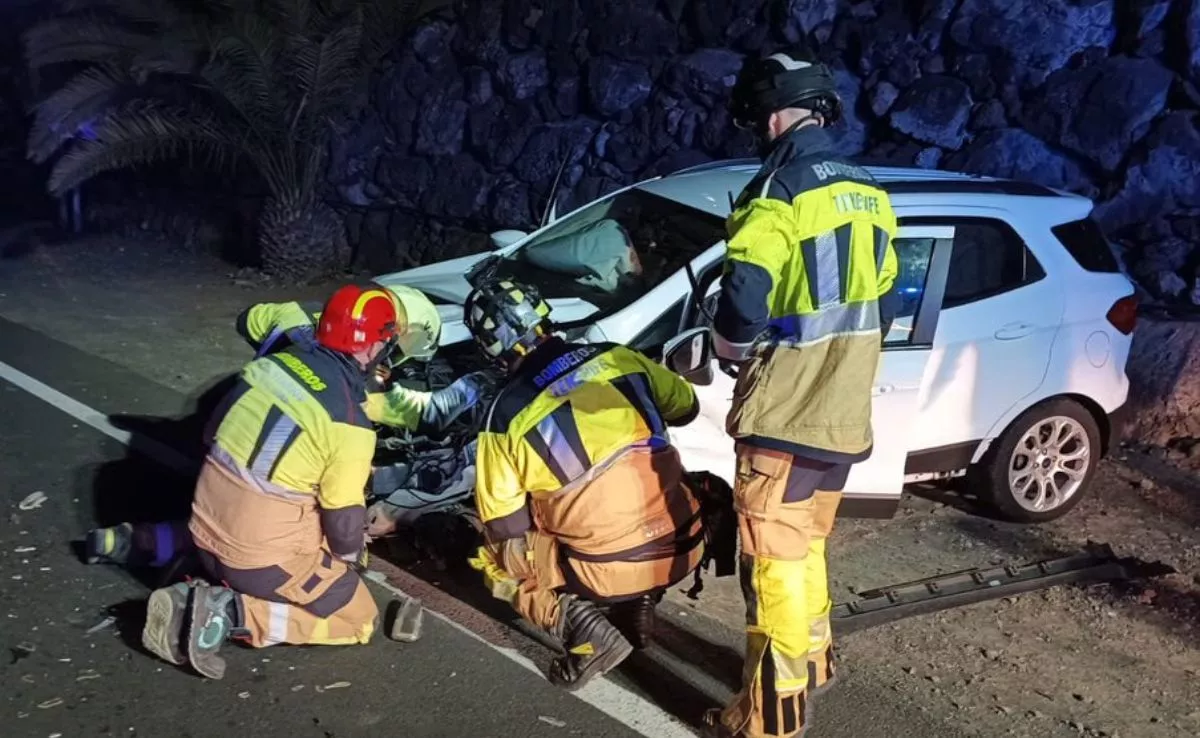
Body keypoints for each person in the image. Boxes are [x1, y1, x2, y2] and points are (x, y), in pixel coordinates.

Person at [707, 46, 899, 738]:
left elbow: (745, 290)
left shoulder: (780, 186)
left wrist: (730, 348)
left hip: (788, 411)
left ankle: (773, 715)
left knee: (773, 564)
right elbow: (881, 291)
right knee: (809, 544)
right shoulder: (869, 191)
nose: (759, 127)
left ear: (775, 110)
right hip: (843, 417)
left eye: (760, 114)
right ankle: (814, 660)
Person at [138, 284, 402, 679]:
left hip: (202, 524)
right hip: (255, 561)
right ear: (371, 347)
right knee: (358, 616)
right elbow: (345, 522)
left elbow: (211, 435)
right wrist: (346, 566)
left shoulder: (267, 368)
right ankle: (228, 614)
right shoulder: (349, 424)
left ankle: (148, 544)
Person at [463, 278, 705, 690]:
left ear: (490, 347)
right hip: (685, 542)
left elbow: (505, 525)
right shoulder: (618, 357)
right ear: (542, 317)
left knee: (493, 557)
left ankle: (582, 626)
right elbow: (686, 407)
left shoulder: (504, 414)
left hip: (604, 570)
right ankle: (639, 605)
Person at [236, 283, 487, 433]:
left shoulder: (297, 310)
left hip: (243, 401)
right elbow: (431, 412)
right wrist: (478, 383)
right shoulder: (359, 388)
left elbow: (247, 320)